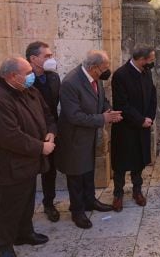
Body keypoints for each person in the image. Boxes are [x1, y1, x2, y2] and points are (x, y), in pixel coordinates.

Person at [55, 50, 123, 229]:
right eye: (105, 68)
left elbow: (103, 100)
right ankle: (77, 211)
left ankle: (90, 200)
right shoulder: (71, 82)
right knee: (76, 175)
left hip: (89, 136)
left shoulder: (95, 78)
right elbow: (74, 116)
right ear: (94, 68)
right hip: (74, 138)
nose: (107, 71)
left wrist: (107, 110)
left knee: (88, 171)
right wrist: (103, 119)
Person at [0, 57, 56, 257]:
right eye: (28, 72)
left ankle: (25, 232)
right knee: (9, 206)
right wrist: (41, 147)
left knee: (27, 200)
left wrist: (51, 132)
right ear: (13, 76)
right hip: (11, 165)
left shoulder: (30, 90)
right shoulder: (1, 98)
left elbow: (48, 115)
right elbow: (10, 136)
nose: (32, 75)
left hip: (31, 162)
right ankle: (3, 244)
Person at [111, 45, 157, 212]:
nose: (152, 63)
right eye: (150, 60)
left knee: (138, 162)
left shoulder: (146, 72)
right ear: (140, 59)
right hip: (126, 128)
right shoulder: (120, 75)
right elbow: (122, 104)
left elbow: (152, 95)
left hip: (143, 125)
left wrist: (150, 118)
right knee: (121, 163)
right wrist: (140, 120)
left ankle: (137, 191)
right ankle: (118, 194)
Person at [26, 41, 61, 222]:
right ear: (34, 58)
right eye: (46, 56)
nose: (51, 59)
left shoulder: (53, 78)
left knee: (50, 170)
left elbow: (53, 108)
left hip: (50, 131)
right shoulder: (24, 80)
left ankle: (49, 203)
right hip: (30, 134)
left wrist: (52, 131)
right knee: (28, 175)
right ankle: (24, 213)